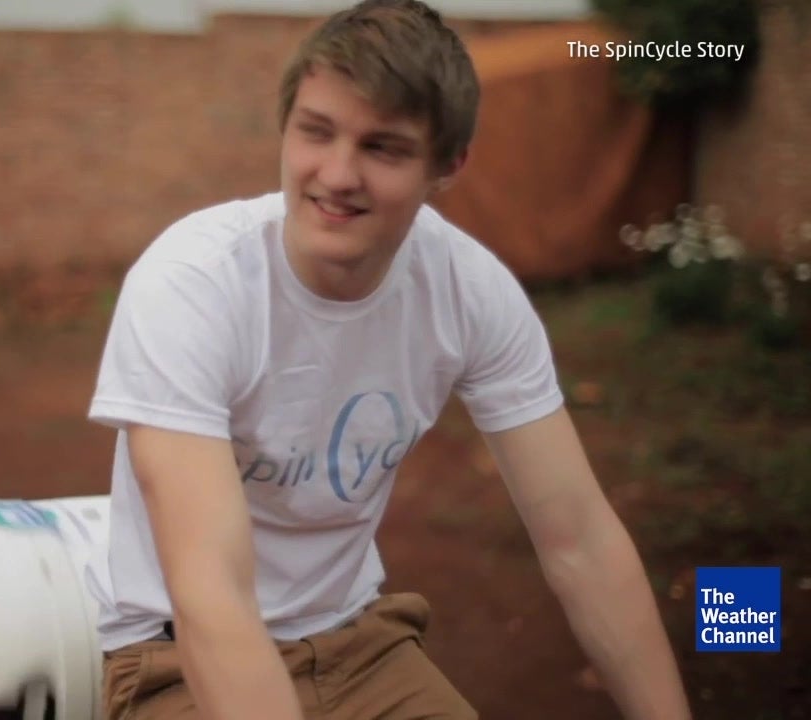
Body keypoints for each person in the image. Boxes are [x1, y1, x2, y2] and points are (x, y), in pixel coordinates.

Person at [81, 1, 692, 718]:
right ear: (286, 128)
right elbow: (208, 590)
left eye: (383, 148)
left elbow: (580, 540)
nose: (337, 174)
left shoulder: (467, 291)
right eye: (317, 132)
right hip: (178, 658)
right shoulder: (194, 282)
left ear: (448, 164)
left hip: (358, 643)